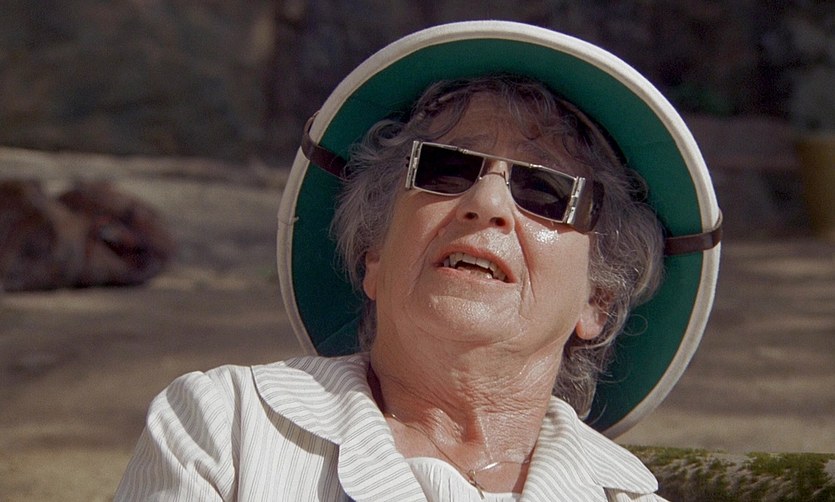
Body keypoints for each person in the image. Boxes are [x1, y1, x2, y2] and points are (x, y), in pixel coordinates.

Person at [115, 21, 722, 501]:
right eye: (446, 168)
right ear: (374, 255)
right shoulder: (226, 430)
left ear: (598, 299)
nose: (487, 203)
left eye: (544, 191)